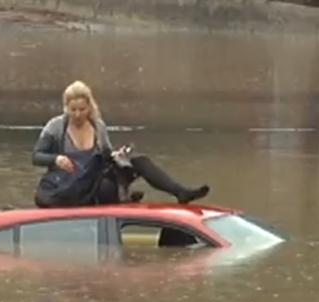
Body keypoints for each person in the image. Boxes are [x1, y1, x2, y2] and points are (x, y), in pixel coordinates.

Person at [32, 80, 209, 208]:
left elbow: (107, 156)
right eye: (73, 110)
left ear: (90, 107)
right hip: (70, 187)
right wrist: (56, 159)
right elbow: (36, 156)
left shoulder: (98, 126)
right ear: (66, 108)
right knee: (107, 187)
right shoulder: (55, 127)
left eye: (82, 109)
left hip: (94, 180)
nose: (78, 114)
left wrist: (119, 154)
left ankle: (180, 192)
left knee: (139, 160)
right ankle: (123, 201)